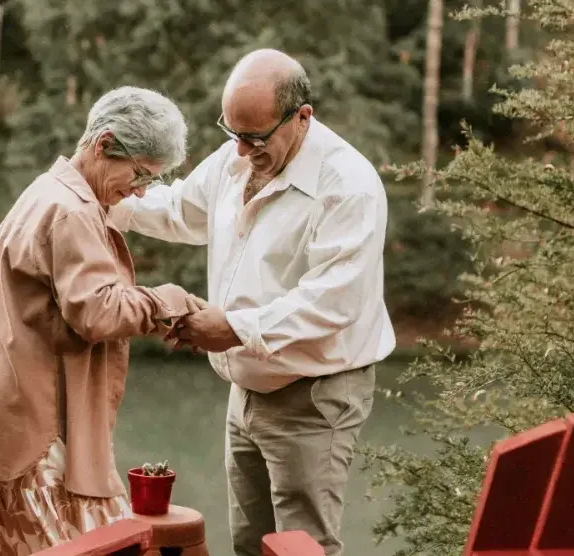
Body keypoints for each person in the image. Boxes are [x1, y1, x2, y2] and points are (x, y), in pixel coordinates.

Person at [109, 50, 396, 555]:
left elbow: (332, 303)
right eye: (232, 133)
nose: (240, 150)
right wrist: (107, 194)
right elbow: (180, 209)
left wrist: (234, 328)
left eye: (255, 137)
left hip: (314, 393)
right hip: (246, 390)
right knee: (249, 545)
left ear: (302, 116)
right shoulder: (236, 157)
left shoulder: (349, 187)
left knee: (302, 547)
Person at [0, 86, 205, 556]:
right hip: (30, 431)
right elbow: (98, 312)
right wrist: (167, 300)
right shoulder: (70, 211)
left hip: (11, 419)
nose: (142, 190)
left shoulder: (51, 193)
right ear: (104, 144)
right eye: (141, 173)